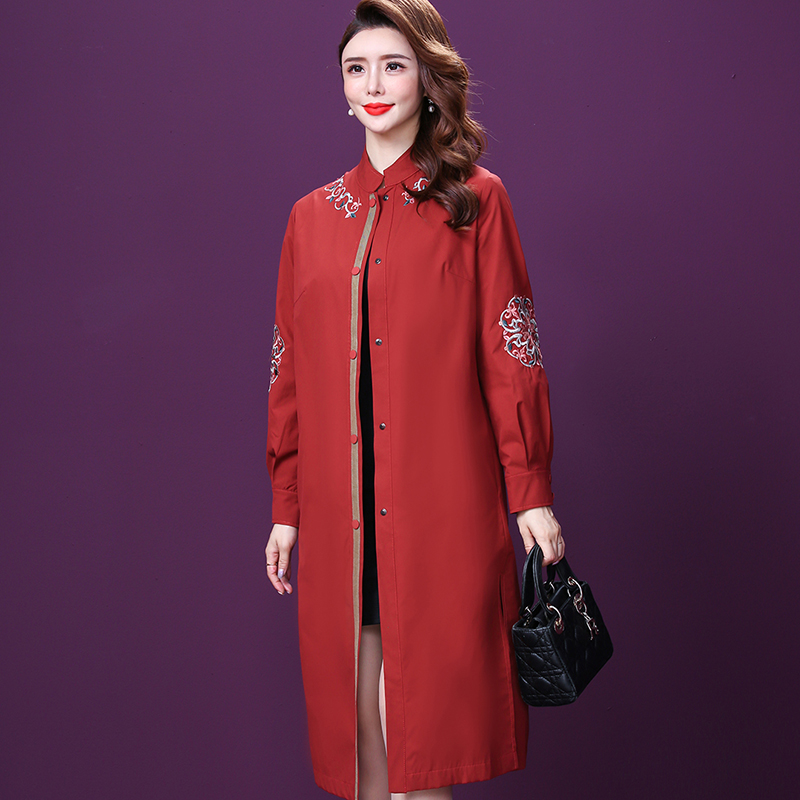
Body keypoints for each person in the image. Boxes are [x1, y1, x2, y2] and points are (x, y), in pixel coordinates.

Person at [265, 1, 564, 798]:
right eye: (356, 69)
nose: (373, 85)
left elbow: (512, 353)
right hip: (341, 514)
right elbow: (287, 372)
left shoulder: (476, 202)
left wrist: (530, 489)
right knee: (362, 729)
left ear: (428, 83)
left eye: (393, 66)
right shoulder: (309, 219)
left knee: (423, 734)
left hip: (440, 509)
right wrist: (286, 506)